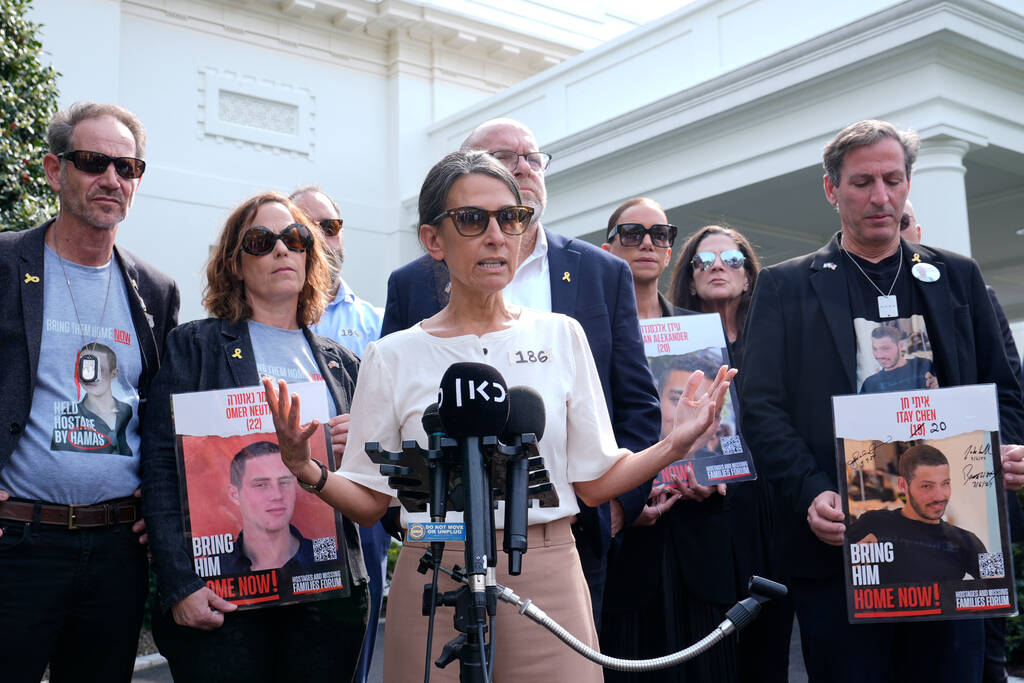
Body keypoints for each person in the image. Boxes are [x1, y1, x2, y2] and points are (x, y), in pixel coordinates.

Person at [263, 150, 735, 682]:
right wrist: (306, 469)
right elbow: (371, 502)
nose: (496, 234)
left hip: (548, 568)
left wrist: (674, 445)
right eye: (472, 219)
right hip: (434, 569)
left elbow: (597, 481)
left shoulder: (562, 336)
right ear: (433, 240)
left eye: (510, 218)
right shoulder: (391, 355)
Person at [741, 119, 1024, 683]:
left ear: (908, 183)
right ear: (831, 189)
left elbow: (1005, 390)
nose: (880, 197)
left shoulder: (958, 277)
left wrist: (1008, 448)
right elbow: (761, 406)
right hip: (844, 546)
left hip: (956, 546)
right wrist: (811, 489)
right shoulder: (786, 285)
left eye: (893, 180)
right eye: (862, 182)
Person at [379, 119, 659, 623]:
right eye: (506, 157)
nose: (524, 167)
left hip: (570, 536)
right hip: (447, 546)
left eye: (534, 157)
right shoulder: (412, 282)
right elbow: (394, 425)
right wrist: (416, 521)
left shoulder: (602, 272)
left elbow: (636, 401)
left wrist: (618, 508)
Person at [141, 192, 369, 683]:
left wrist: (356, 452)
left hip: (325, 600)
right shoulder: (194, 346)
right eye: (262, 242)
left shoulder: (341, 363)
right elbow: (161, 469)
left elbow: (370, 489)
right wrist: (180, 584)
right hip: (225, 599)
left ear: (311, 255)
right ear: (236, 266)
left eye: (295, 238)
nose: (282, 251)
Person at [0, 102, 179, 683]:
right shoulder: (6, 263)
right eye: (92, 162)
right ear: (56, 171)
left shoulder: (155, 289)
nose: (112, 179)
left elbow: (161, 415)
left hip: (116, 552)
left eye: (127, 167)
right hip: (18, 546)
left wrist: (164, 508)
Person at [290, 185, 388, 683]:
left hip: (354, 511)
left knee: (353, 652)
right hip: (279, 500)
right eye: (305, 227)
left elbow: (399, 417)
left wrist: (367, 430)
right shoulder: (247, 324)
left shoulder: (376, 322)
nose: (322, 237)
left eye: (331, 226)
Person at [848, 445, 986, 583]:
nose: (939, 496)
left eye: (945, 484)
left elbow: (1002, 582)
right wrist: (853, 560)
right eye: (927, 486)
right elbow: (836, 573)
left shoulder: (968, 541)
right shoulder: (872, 524)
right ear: (903, 485)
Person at [218, 441, 314, 574]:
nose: (277, 495)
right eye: (261, 485)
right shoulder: (214, 568)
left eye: (284, 482)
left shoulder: (327, 558)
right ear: (235, 495)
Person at [50, 342, 134, 455]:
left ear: (113, 374)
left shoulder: (127, 411)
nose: (90, 376)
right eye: (85, 368)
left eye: (99, 369)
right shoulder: (70, 416)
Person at [859, 325, 938, 393]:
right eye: (875, 349)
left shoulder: (923, 365)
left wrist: (939, 386)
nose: (879, 355)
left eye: (885, 348)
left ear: (900, 345)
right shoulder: (870, 384)